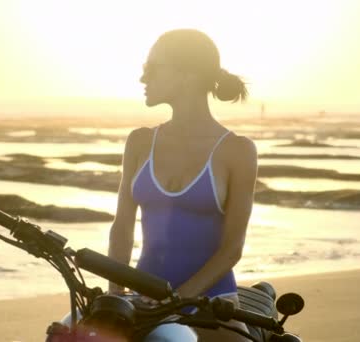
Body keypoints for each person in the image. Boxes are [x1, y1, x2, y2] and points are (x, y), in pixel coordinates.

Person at [107, 28, 258, 341]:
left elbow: (232, 248)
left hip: (210, 303)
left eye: (152, 69)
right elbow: (122, 228)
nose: (142, 79)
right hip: (144, 302)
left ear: (187, 75)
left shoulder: (237, 151)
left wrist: (176, 301)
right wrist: (115, 295)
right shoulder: (140, 142)